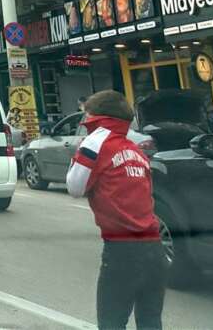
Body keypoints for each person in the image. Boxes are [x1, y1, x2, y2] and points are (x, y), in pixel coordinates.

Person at [67, 90, 164, 330]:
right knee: (150, 321)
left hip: (122, 250)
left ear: (95, 118)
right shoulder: (137, 152)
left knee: (111, 322)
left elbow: (74, 186)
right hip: (155, 248)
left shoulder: (95, 143)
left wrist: (79, 153)